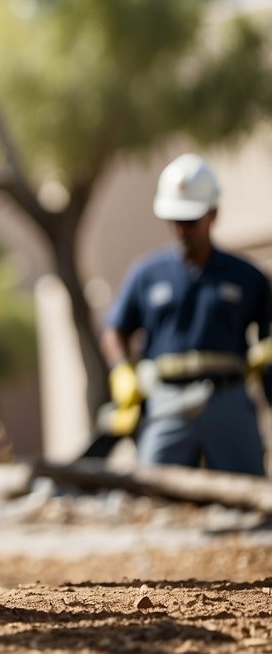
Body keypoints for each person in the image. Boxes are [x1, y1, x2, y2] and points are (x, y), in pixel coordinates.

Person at [100, 153, 271, 476]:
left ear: (213, 214)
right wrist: (121, 370)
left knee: (252, 494)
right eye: (174, 219)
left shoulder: (247, 278)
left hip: (228, 399)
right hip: (167, 400)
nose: (181, 230)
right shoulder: (146, 274)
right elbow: (115, 330)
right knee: (152, 493)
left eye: (190, 220)